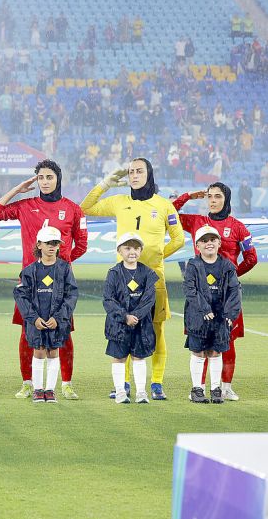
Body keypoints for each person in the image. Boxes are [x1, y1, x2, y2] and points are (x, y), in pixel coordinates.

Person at [81, 158, 184, 400]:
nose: (134, 175)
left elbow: (178, 239)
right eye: (130, 172)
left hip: (154, 279)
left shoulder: (164, 205)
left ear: (150, 173)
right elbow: (85, 207)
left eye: (139, 171)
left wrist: (158, 256)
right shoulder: (119, 202)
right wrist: (105, 184)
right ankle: (124, 384)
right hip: (123, 279)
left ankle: (156, 383)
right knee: (125, 329)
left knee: (156, 331)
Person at [0, 160, 87, 400]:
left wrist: (61, 268)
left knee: (62, 333)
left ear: (58, 179)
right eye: (41, 178)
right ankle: (28, 383)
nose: (44, 182)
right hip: (30, 281)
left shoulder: (73, 209)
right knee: (28, 332)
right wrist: (16, 189)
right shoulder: (26, 205)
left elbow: (82, 245)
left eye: (49, 177)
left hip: (59, 283)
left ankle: (66, 383)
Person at [172, 183, 258, 400]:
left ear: (226, 199)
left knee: (226, 342)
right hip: (200, 296)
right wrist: (188, 195)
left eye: (217, 196)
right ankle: (198, 389)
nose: (212, 200)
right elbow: (169, 212)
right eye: (209, 196)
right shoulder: (197, 222)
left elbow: (252, 257)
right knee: (200, 342)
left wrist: (232, 278)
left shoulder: (238, 227)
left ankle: (225, 387)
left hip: (227, 296)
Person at [13, 227, 79, 403]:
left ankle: (50, 390)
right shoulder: (29, 271)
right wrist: (33, 319)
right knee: (39, 352)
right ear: (39, 245)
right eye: (49, 243)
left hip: (57, 321)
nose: (52, 247)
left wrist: (58, 318)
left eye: (55, 243)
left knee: (53, 352)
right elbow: (21, 296)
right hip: (36, 321)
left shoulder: (65, 269)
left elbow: (71, 295)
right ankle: (38, 390)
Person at [183, 226, 242, 404]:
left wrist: (230, 314)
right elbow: (190, 290)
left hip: (220, 318)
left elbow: (234, 291)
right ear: (197, 245)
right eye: (204, 241)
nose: (209, 243)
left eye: (212, 240)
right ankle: (197, 389)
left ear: (219, 242)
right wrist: (204, 309)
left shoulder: (227, 266)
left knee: (216, 352)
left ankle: (216, 389)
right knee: (198, 353)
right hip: (197, 318)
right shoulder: (193, 265)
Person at [103, 233, 159, 404]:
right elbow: (108, 299)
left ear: (141, 251)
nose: (132, 252)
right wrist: (124, 316)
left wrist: (136, 316)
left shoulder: (148, 273)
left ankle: (141, 392)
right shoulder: (113, 273)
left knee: (139, 357)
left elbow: (149, 299)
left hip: (141, 325)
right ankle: (120, 391)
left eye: (136, 248)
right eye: (127, 248)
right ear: (119, 251)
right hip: (118, 325)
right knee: (119, 358)